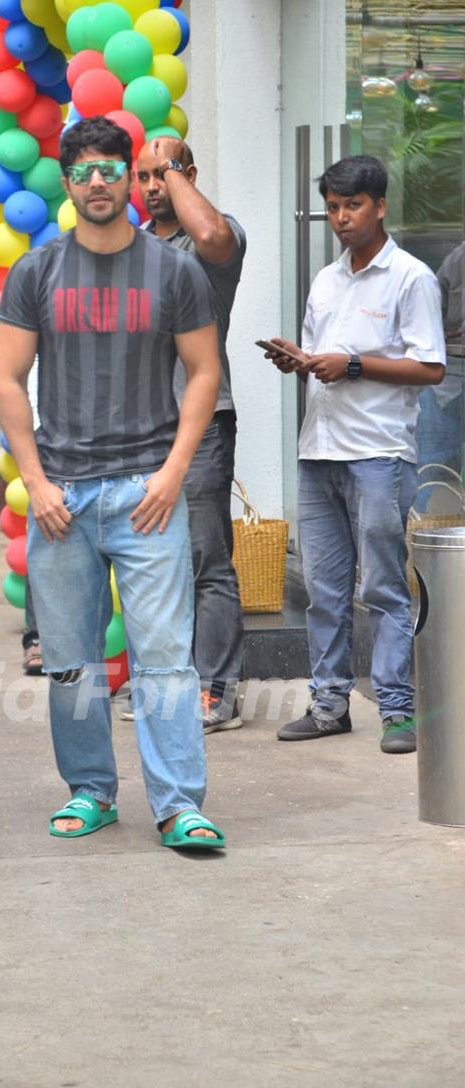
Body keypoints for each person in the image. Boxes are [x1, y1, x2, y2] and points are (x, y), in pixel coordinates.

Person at [0, 116, 225, 849]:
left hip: (146, 493)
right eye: (84, 170)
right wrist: (36, 482)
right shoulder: (36, 271)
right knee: (70, 665)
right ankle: (91, 790)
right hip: (62, 498)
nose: (99, 182)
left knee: (164, 658)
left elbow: (205, 372)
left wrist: (174, 473)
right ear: (66, 183)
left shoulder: (174, 270)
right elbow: (7, 377)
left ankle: (178, 803)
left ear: (133, 178)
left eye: (111, 169)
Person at [262, 154, 446, 754]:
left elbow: (431, 367)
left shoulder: (411, 278)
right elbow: (324, 364)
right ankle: (329, 704)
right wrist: (300, 362)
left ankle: (397, 708)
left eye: (353, 205)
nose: (341, 218)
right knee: (324, 591)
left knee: (386, 588)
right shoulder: (326, 279)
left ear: (380, 206)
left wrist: (356, 363)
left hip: (379, 454)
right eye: (334, 207)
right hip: (320, 452)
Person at [134, 136, 246, 732]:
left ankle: (217, 690)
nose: (153, 186)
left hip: (201, 425)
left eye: (164, 174)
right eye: (144, 176)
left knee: (206, 558)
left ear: (188, 174)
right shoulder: (129, 248)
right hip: (141, 430)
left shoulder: (216, 239)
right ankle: (164, 685)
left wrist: (177, 175)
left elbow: (211, 237)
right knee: (153, 563)